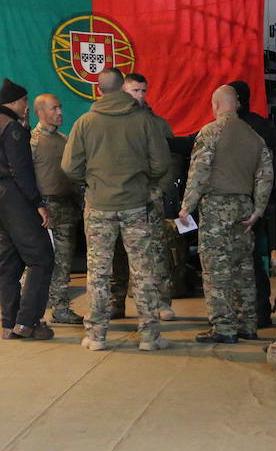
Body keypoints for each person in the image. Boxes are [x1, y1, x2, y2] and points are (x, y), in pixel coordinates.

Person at [62, 68, 173, 352]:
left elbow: (69, 167)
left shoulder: (86, 122)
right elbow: (161, 164)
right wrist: (146, 186)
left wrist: (92, 182)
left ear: (98, 89)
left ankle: (97, 336)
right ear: (123, 89)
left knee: (98, 272)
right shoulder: (144, 121)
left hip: (99, 205)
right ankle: (150, 336)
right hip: (137, 204)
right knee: (143, 270)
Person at [179, 85, 274, 343]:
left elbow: (199, 171)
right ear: (238, 105)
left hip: (216, 208)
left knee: (215, 270)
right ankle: (248, 324)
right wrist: (258, 210)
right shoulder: (255, 137)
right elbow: (265, 176)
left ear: (216, 105)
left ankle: (224, 328)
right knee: (243, 268)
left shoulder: (210, 132)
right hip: (244, 209)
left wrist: (187, 205)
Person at [0, 78, 55, 340]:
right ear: (14, 101)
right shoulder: (12, 128)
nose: (27, 106)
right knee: (41, 258)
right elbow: (21, 171)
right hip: (15, 196)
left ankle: (8, 324)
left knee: (9, 262)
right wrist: (38, 203)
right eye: (25, 101)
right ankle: (27, 323)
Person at [110, 73, 177, 321]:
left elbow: (172, 161)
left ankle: (161, 301)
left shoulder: (157, 124)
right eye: (133, 91)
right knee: (117, 251)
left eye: (142, 91)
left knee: (156, 251)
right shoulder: (111, 122)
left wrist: (158, 190)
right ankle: (115, 301)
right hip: (120, 197)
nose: (139, 96)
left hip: (149, 199)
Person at [228, 80, 276, 328]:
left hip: (239, 203)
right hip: (258, 202)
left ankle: (244, 314)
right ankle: (259, 313)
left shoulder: (236, 127)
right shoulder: (259, 124)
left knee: (237, 261)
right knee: (254, 258)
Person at [31, 93, 84, 325]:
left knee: (64, 261)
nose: (60, 112)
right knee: (39, 262)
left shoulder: (64, 140)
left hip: (67, 206)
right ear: (40, 113)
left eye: (60, 107)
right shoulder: (32, 142)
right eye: (54, 108)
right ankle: (32, 311)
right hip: (44, 209)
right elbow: (25, 179)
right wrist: (36, 206)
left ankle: (61, 308)